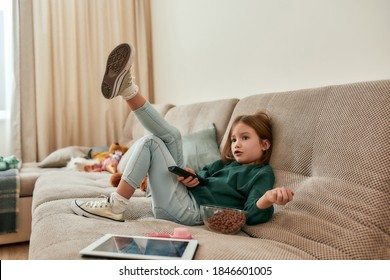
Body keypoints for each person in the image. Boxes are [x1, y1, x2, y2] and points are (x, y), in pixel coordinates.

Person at [71, 43, 294, 226]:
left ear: (265, 144)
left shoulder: (260, 174)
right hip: (181, 197)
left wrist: (267, 199)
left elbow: (251, 214)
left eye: (245, 138)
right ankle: (128, 88)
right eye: (234, 138)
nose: (236, 143)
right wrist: (190, 176)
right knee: (171, 137)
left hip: (190, 211)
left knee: (150, 142)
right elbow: (201, 178)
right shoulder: (223, 164)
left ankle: (116, 206)